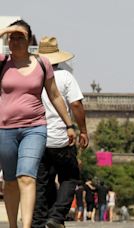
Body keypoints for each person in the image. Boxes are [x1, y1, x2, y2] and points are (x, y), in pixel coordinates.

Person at [0, 20, 76, 228]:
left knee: (27, 176)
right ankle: (13, 225)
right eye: (11, 37)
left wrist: (70, 125)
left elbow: (55, 95)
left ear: (29, 40)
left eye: (20, 36)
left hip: (35, 127)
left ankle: (26, 226)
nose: (15, 40)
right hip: (5, 129)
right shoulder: (2, 61)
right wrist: (5, 30)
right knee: (11, 181)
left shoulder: (42, 63)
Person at [32, 36, 89, 228]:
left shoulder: (31, 76)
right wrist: (83, 130)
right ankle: (56, 217)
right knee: (70, 176)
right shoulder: (65, 77)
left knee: (41, 181)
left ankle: (39, 221)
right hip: (61, 137)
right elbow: (76, 104)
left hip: (36, 136)